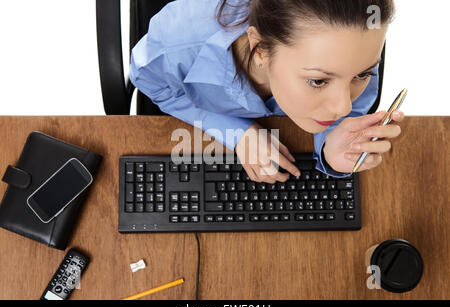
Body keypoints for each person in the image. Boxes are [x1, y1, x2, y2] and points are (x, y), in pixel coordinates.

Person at [130, 0, 405, 183]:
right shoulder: (177, 45)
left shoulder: (352, 41)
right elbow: (153, 84)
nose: (343, 106)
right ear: (260, 49)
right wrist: (236, 132)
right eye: (318, 81)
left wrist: (331, 142)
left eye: (363, 73)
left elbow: (350, 111)